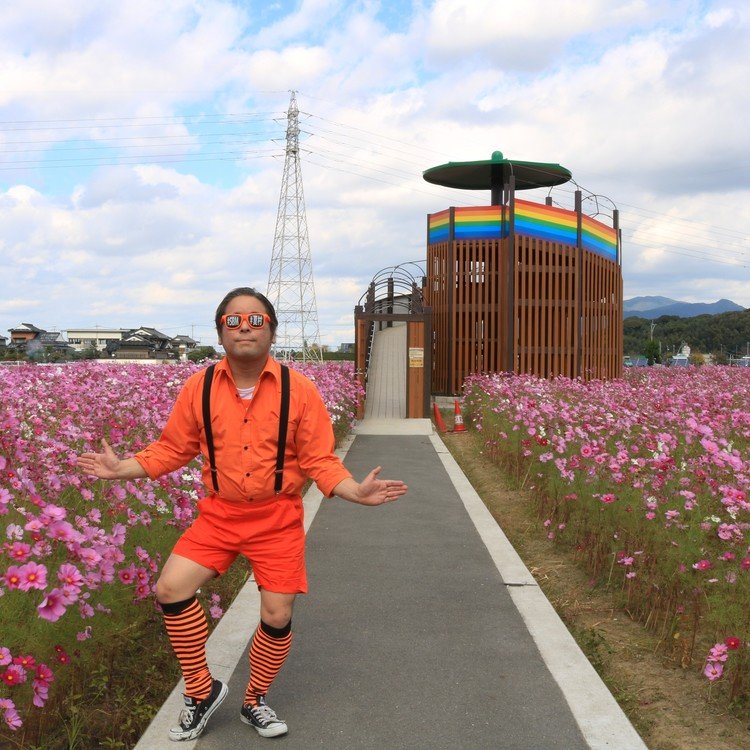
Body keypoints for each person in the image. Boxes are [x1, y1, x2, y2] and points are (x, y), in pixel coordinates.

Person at [76, 287, 407, 741]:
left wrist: (353, 490)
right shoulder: (200, 386)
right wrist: (121, 468)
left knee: (275, 613)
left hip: (277, 517)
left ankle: (254, 700)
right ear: (219, 333)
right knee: (170, 589)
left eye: (255, 319)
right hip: (219, 515)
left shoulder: (299, 389)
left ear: (271, 328)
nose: (244, 327)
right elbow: (173, 448)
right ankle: (201, 689)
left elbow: (319, 460)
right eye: (233, 321)